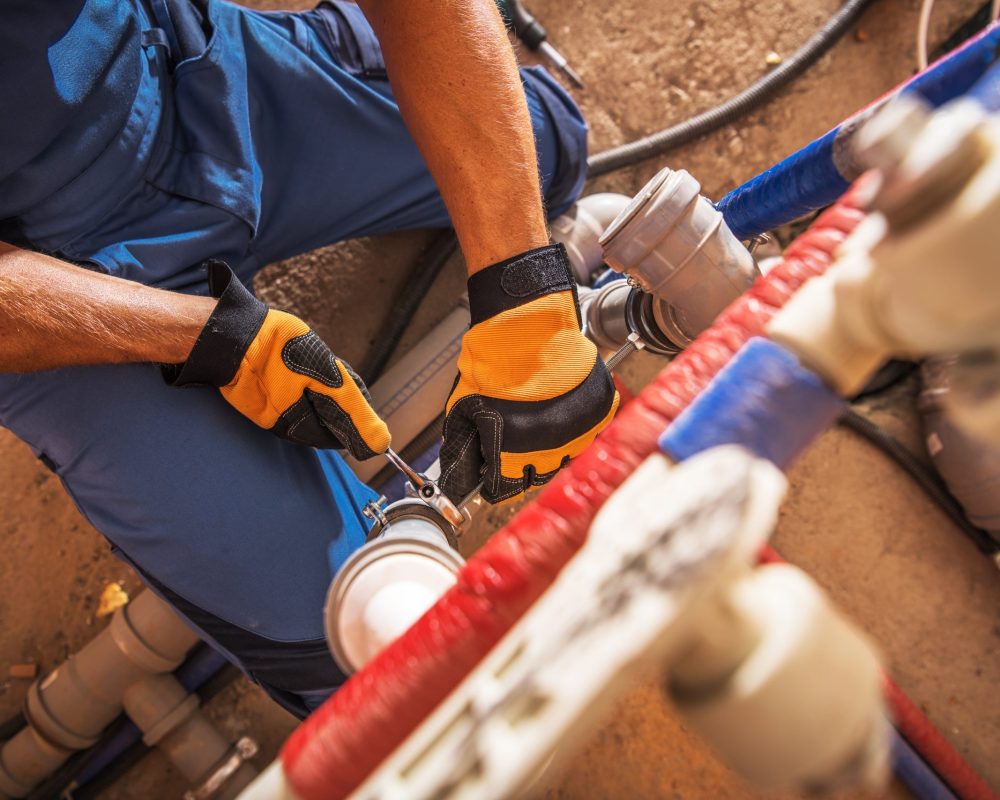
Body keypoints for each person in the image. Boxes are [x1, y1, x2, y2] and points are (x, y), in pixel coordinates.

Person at [0, 0, 618, 717]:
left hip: (174, 76)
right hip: (45, 279)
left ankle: (332, 46)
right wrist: (213, 339)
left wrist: (525, 288)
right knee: (364, 669)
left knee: (546, 145)